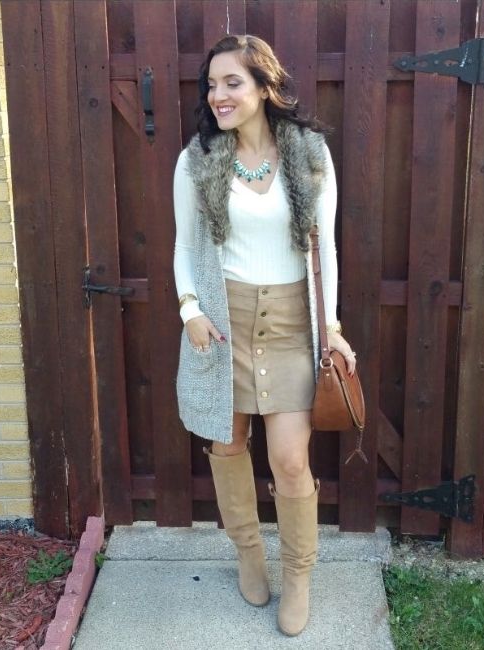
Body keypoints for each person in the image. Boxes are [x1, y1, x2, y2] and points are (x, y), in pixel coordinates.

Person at [173, 34, 357, 637]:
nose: (218, 95)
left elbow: (326, 248)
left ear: (263, 86)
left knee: (288, 457)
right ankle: (249, 555)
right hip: (222, 322)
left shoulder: (309, 152)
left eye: (233, 82)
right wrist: (189, 309)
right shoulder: (197, 159)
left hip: (289, 324)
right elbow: (184, 245)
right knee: (227, 447)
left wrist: (330, 327)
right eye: (212, 84)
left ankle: (298, 575)